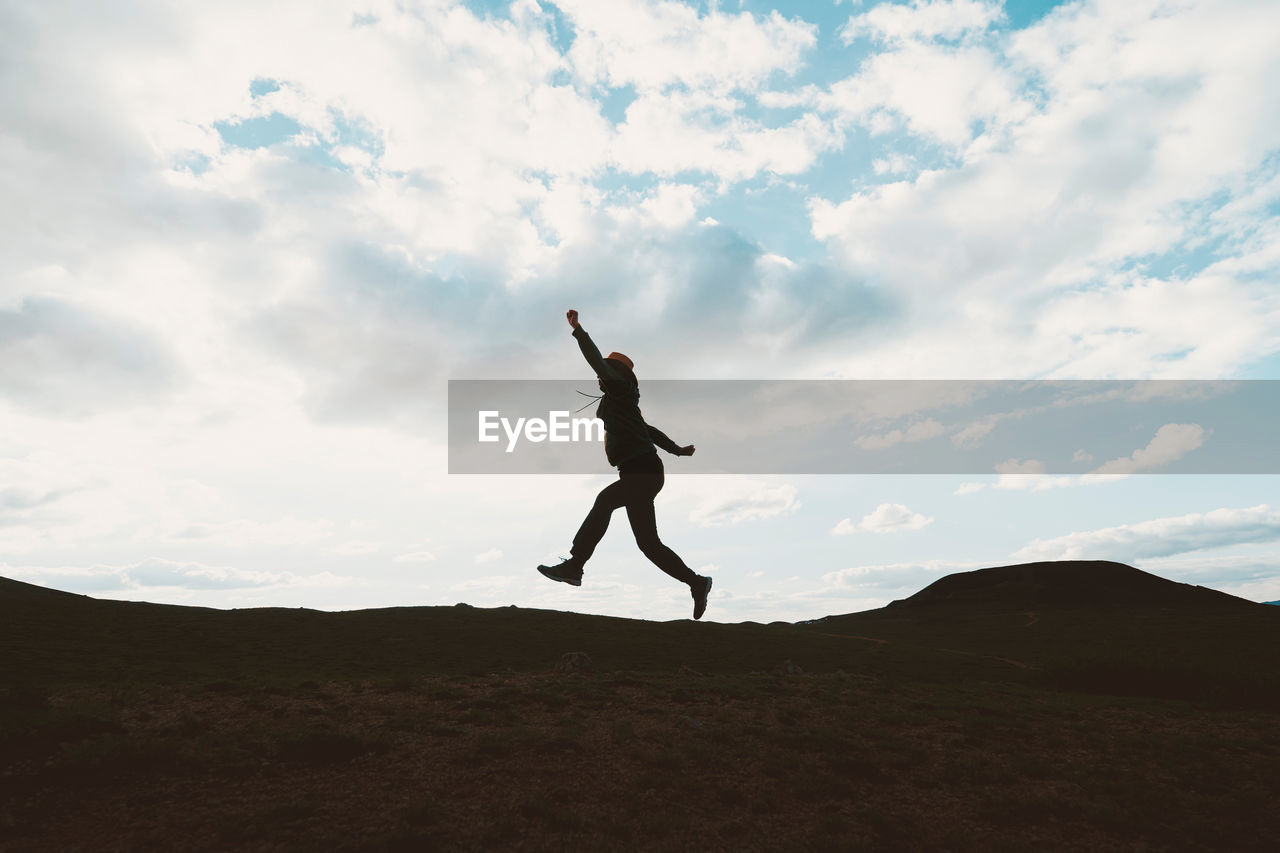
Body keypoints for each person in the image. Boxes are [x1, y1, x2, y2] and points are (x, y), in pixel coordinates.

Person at [537, 309, 714, 620]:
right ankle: (697, 582)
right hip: (640, 471)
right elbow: (648, 430)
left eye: (606, 369)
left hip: (642, 470)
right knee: (648, 544)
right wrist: (676, 450)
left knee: (604, 501)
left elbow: (595, 360)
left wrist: (578, 330)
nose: (599, 373)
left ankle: (575, 565)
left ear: (618, 373)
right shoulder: (618, 400)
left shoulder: (621, 388)